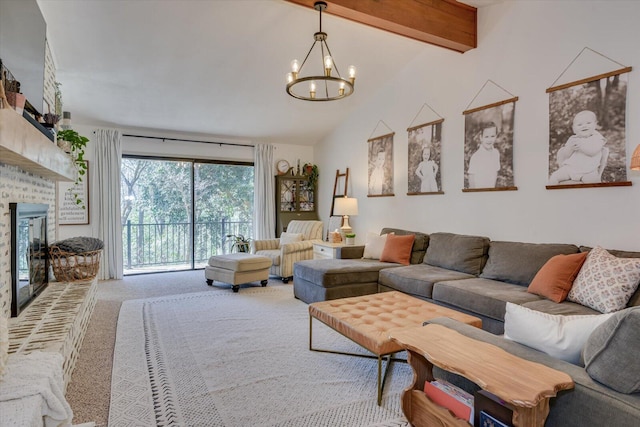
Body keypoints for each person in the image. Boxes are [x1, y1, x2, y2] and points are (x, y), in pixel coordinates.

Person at [548, 110, 606, 184]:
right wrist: (570, 149)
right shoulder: (573, 139)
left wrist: (582, 147)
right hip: (570, 169)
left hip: (588, 171)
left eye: (588, 123)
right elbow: (565, 155)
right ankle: (553, 193)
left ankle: (590, 195)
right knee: (554, 176)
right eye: (579, 125)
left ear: (595, 125)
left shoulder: (597, 138)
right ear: (574, 129)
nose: (584, 126)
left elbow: (593, 151)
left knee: (592, 182)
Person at [467, 122, 500, 188]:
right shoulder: (476, 157)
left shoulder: (496, 153)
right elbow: (471, 180)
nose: (489, 140)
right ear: (481, 137)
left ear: (496, 136)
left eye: (492, 136)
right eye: (486, 137)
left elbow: (495, 173)